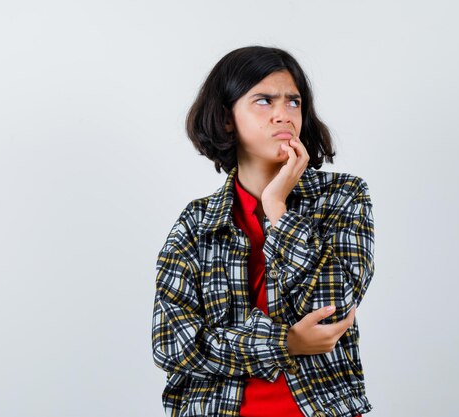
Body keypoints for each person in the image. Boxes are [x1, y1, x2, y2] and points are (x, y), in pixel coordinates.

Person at [151, 45, 375, 417]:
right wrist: (284, 342)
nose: (282, 115)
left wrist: (277, 210)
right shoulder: (196, 222)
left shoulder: (343, 196)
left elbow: (332, 312)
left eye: (293, 102)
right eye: (264, 101)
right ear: (227, 119)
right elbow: (172, 345)